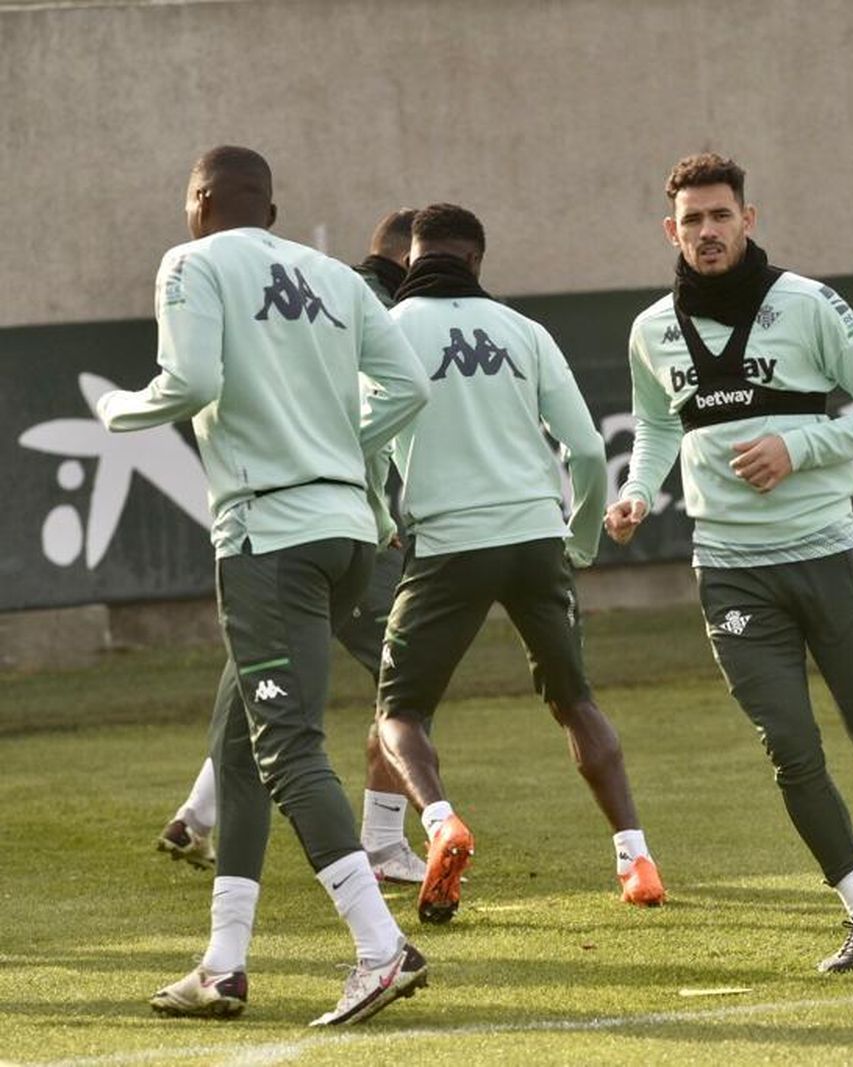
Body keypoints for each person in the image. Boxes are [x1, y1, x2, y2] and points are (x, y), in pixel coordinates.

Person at [607, 153, 853, 973]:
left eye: (721, 216)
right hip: (729, 569)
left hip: (826, 555)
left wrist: (800, 444)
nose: (707, 232)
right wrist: (638, 490)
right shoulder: (651, 329)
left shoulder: (810, 303)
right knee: (791, 749)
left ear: (749, 219)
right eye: (692, 221)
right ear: (670, 231)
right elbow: (657, 427)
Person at [95, 146, 432, 1025]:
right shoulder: (334, 274)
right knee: (238, 746)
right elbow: (405, 388)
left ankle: (380, 946)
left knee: (285, 747)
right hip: (346, 534)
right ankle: (223, 964)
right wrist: (341, 457)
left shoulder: (193, 262)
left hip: (267, 537)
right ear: (271, 210)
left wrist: (115, 411)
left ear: (200, 201)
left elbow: (194, 380)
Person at [374, 203, 666, 923]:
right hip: (537, 539)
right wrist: (582, 540)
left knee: (399, 711)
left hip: (448, 542)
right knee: (575, 699)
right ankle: (636, 857)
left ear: (412, 261)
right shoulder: (525, 331)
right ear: (476, 261)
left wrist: (382, 518)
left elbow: (364, 437)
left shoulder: (388, 330)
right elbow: (590, 451)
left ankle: (441, 821)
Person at [157, 207, 429, 885]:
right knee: (407, 674)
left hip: (282, 524)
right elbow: (366, 413)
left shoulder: (324, 294)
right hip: (345, 525)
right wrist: (373, 506)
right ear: (409, 263)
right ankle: (383, 843)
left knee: (260, 671)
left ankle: (196, 816)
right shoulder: (370, 308)